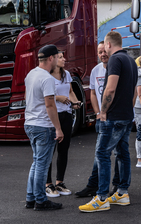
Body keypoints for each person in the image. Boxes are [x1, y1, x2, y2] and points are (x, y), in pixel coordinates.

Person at [79, 31, 137, 212]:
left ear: (109, 45)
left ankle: (102, 197)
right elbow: (133, 90)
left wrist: (103, 111)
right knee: (122, 153)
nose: (104, 50)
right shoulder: (131, 61)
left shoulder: (115, 60)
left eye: (105, 46)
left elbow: (110, 89)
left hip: (114, 116)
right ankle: (121, 193)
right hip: (126, 115)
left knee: (103, 154)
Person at [24, 44, 64, 211]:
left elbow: (28, 98)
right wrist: (58, 128)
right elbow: (50, 105)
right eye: (57, 57)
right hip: (43, 125)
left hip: (30, 123)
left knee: (36, 162)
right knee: (42, 164)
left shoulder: (31, 74)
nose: (58, 60)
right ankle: (41, 200)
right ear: (51, 58)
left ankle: (31, 198)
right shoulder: (47, 78)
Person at [45, 51, 81, 198]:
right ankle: (48, 184)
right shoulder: (46, 76)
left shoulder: (66, 74)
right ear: (52, 59)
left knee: (64, 149)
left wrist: (75, 102)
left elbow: (71, 91)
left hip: (66, 115)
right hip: (53, 117)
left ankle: (60, 182)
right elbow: (45, 97)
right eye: (60, 57)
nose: (64, 59)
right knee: (49, 151)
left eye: (63, 57)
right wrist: (57, 97)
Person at [76, 41, 108, 198]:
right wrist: (97, 113)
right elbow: (93, 94)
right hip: (102, 119)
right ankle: (94, 185)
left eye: (104, 51)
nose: (103, 54)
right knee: (100, 153)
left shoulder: (117, 67)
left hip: (115, 119)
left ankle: (118, 187)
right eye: (100, 52)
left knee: (115, 154)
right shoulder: (96, 71)